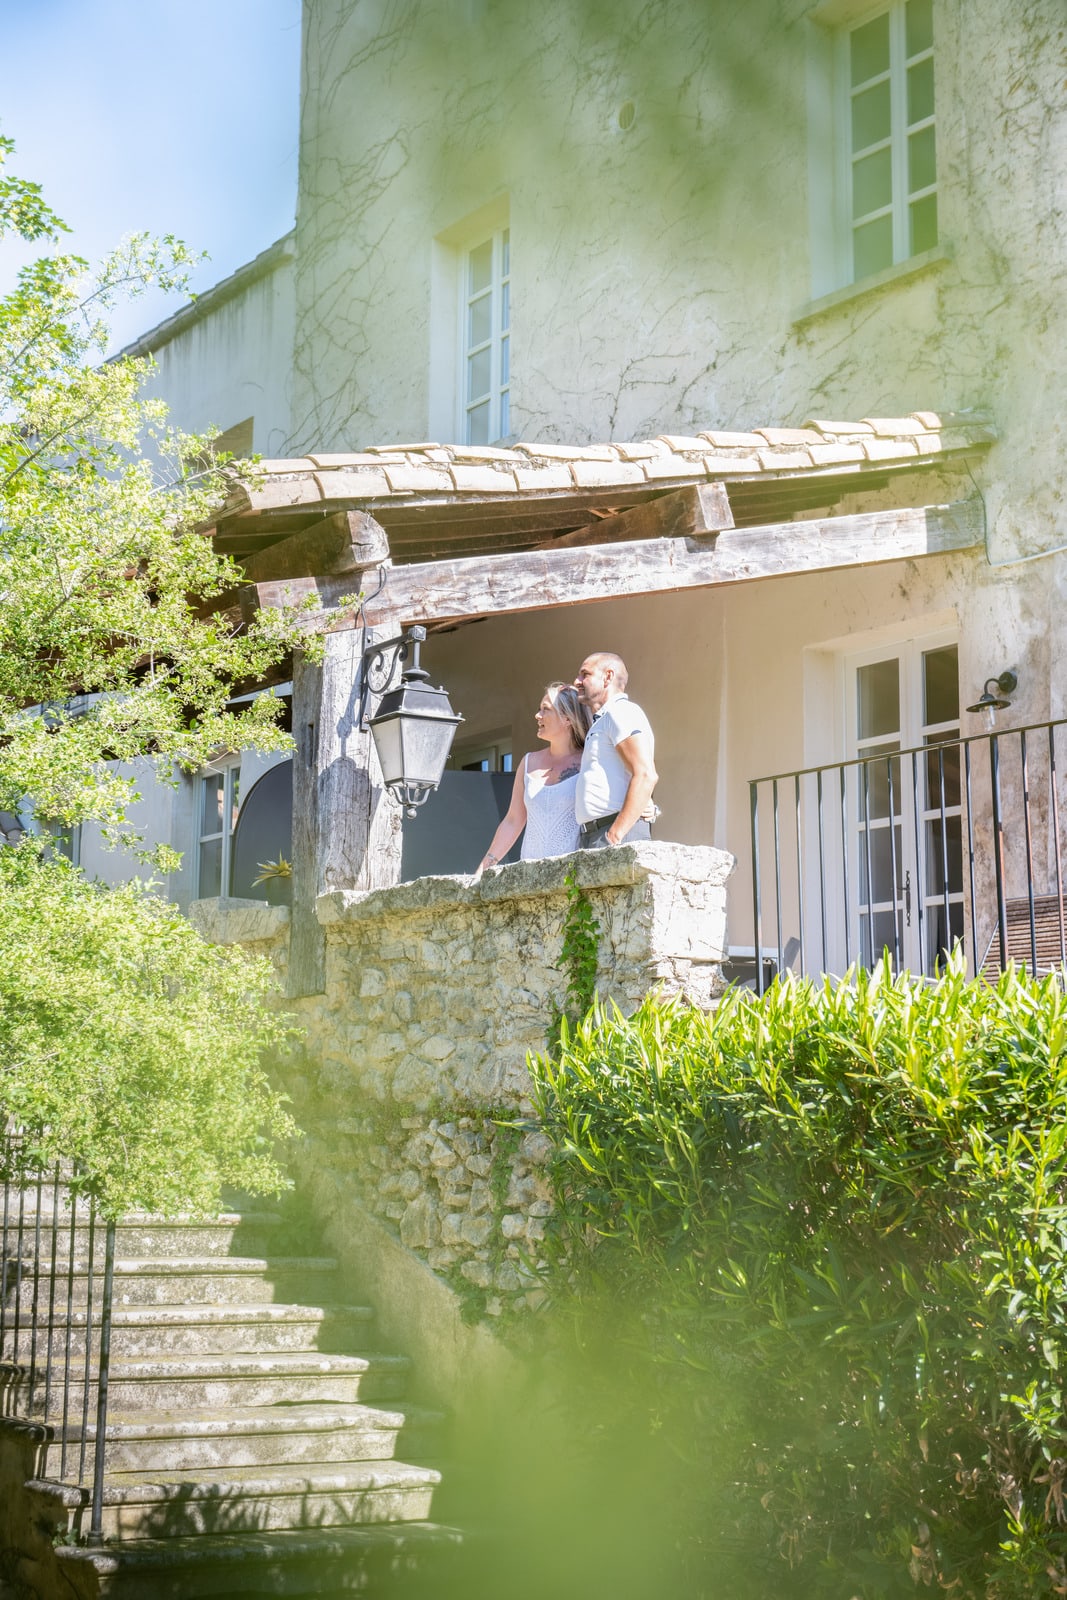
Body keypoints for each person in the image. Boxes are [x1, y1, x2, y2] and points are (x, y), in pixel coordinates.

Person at [475, 682, 592, 872]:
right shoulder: (529, 762)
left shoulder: (589, 762)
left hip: (571, 876)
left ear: (568, 718)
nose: (537, 716)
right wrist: (483, 869)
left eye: (546, 709)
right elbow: (513, 820)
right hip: (529, 874)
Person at [573, 651, 658, 848]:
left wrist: (614, 835)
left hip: (614, 834)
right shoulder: (605, 718)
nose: (577, 681)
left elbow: (646, 774)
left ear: (608, 677)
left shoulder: (621, 711)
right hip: (598, 834)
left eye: (585, 674)